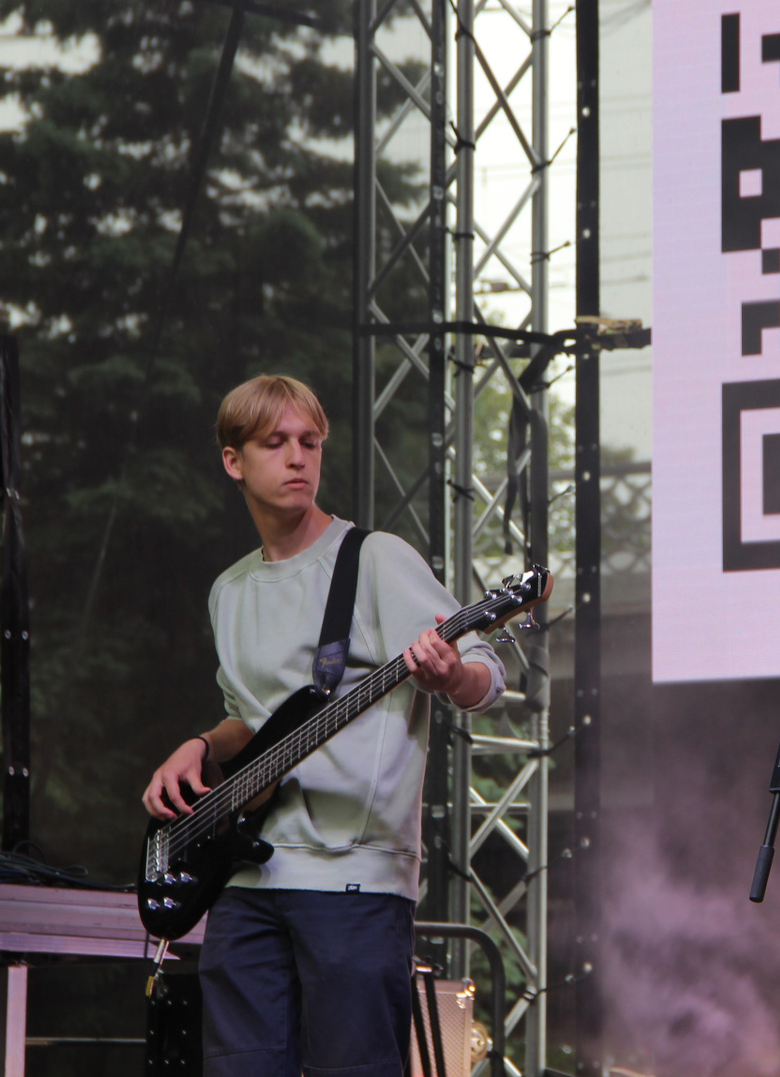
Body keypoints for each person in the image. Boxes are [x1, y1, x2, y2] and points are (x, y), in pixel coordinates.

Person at [141, 374, 505, 1077]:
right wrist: (198, 746)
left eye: (310, 442)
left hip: (354, 880)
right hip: (245, 881)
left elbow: (484, 669)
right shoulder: (229, 590)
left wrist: (449, 676)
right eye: (275, 442)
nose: (297, 457)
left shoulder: (375, 559)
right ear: (233, 461)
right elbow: (249, 718)